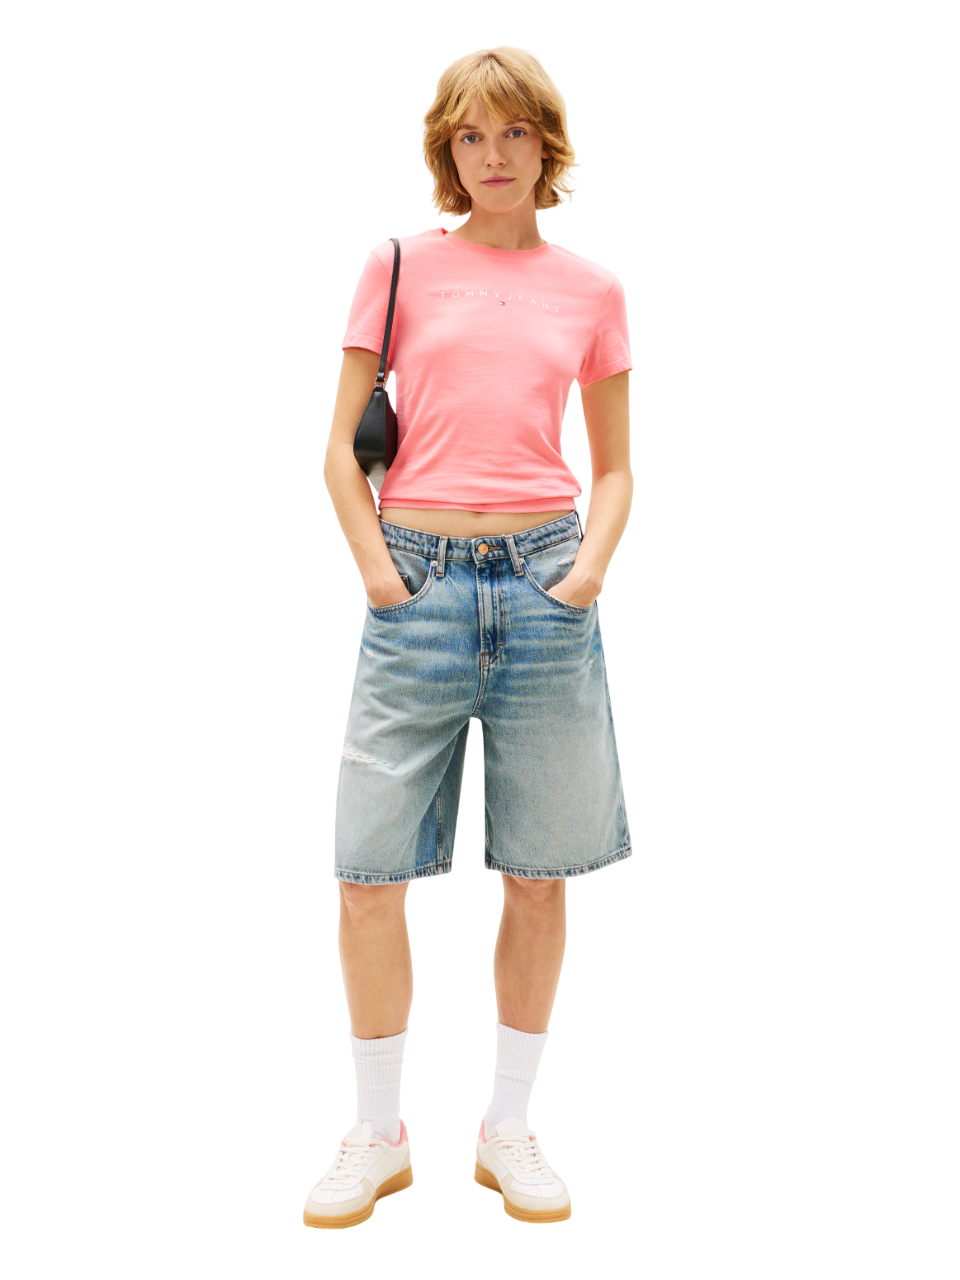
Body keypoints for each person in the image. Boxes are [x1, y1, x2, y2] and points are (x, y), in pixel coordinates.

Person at [303, 46, 633, 1228]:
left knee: (539, 873)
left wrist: (584, 574)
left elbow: (616, 465)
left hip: (546, 585)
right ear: (448, 151)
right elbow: (338, 449)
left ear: (548, 142)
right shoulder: (397, 267)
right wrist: (381, 575)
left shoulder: (591, 290)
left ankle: (508, 1128)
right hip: (419, 587)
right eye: (470, 136)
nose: (493, 155)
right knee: (367, 871)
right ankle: (377, 1132)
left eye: (514, 132)